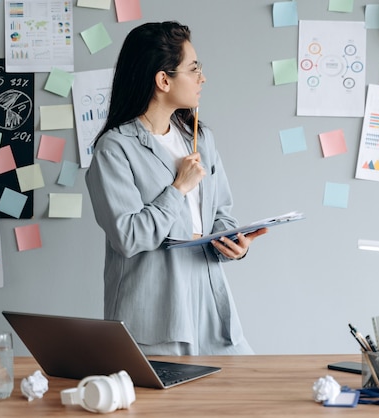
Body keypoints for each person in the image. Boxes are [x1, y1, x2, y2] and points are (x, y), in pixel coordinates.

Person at [85, 21, 267, 356]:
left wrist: (233, 243)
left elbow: (220, 214)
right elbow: (128, 237)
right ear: (163, 80)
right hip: (155, 316)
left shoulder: (201, 138)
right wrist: (178, 188)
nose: (203, 78)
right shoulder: (115, 149)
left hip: (212, 308)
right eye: (194, 69)